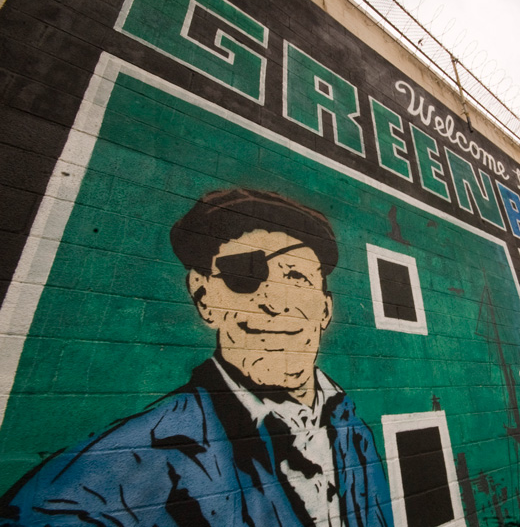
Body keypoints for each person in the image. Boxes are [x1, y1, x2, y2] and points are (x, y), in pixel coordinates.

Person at [0, 189, 393, 527]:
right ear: (204, 298)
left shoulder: (348, 425)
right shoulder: (136, 464)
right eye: (244, 278)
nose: (274, 302)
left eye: (296, 278)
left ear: (325, 308)